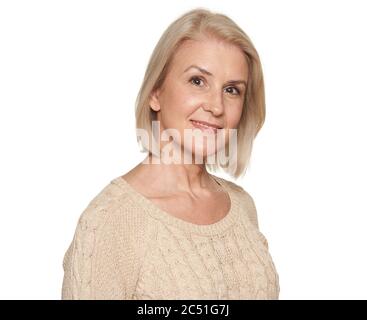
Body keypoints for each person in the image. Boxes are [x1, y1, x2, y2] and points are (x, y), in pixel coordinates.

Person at [61, 7, 280, 300]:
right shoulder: (111, 222)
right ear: (155, 92)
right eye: (197, 81)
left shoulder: (242, 206)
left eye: (231, 90)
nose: (216, 106)